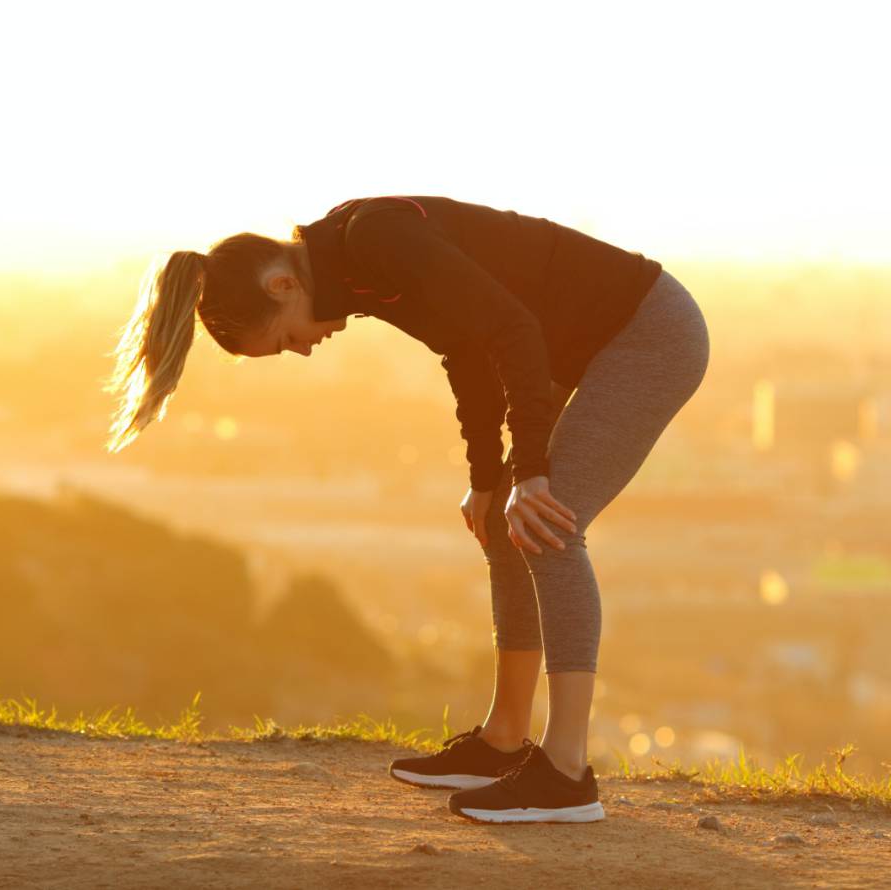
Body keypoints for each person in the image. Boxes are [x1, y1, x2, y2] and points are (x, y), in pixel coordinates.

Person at [105, 195, 711, 825]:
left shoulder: (376, 243)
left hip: (647, 333)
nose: (305, 351)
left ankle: (566, 775)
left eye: (286, 339)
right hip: (575, 342)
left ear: (282, 283)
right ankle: (504, 739)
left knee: (548, 523)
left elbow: (511, 332)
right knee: (507, 525)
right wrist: (487, 480)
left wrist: (529, 473)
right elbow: (468, 349)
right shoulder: (356, 264)